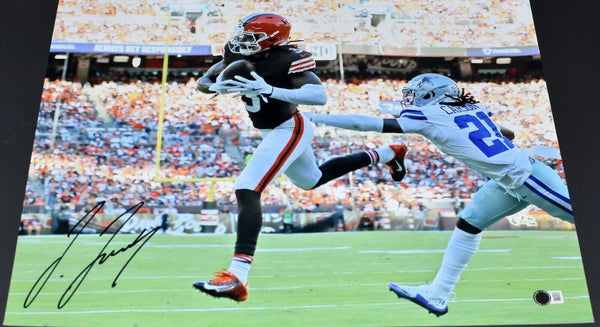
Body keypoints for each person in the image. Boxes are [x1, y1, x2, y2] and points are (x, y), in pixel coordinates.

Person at [306, 73, 573, 316]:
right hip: (508, 179)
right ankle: (438, 293)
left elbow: (367, 124)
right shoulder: (473, 107)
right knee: (469, 222)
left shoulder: (432, 114)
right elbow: (508, 133)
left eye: (414, 94)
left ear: (432, 94)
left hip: (526, 177)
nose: (409, 99)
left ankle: (439, 292)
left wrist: (316, 118)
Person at [192, 12, 408, 302]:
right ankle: (387, 153)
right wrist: (214, 86)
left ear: (270, 39)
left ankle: (237, 276)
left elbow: (319, 96)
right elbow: (206, 78)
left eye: (251, 37)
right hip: (272, 130)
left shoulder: (289, 58)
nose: (242, 42)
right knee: (311, 179)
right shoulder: (236, 53)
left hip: (289, 127)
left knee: (247, 187)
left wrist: (268, 89)